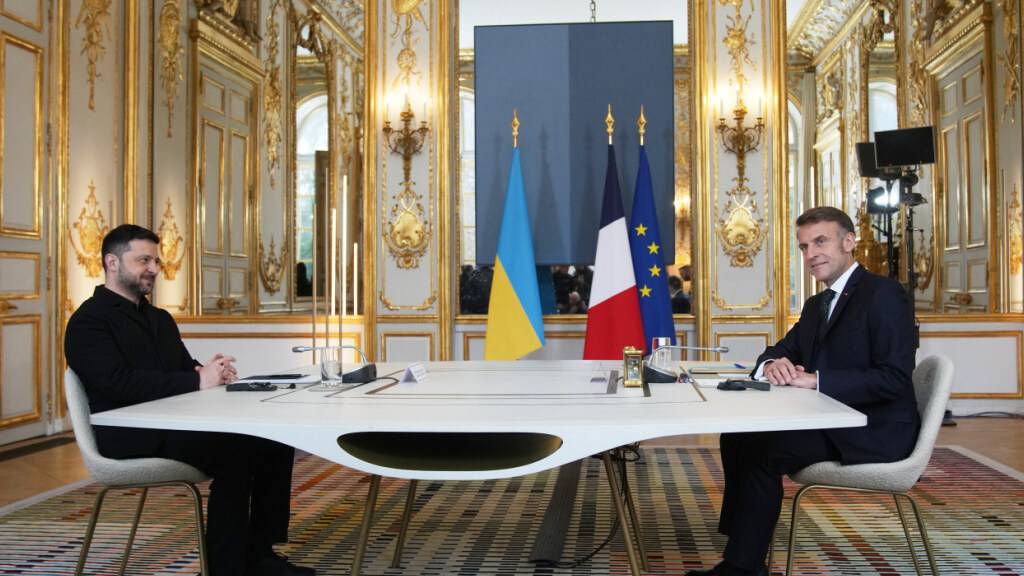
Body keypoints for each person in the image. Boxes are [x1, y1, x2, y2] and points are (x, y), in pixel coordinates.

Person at [64, 225, 315, 576]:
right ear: (112, 262)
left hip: (173, 425)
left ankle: (260, 552)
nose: (153, 268)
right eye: (143, 260)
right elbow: (118, 384)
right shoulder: (88, 322)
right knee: (237, 453)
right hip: (128, 434)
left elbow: (183, 369)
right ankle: (226, 567)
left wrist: (209, 371)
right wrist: (196, 379)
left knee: (274, 440)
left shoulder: (159, 319)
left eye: (155, 260)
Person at [689, 207, 919, 576]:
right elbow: (778, 350)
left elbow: (894, 378)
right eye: (804, 246)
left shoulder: (884, 295)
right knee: (738, 436)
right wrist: (772, 365)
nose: (811, 254)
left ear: (849, 242)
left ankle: (741, 566)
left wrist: (817, 380)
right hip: (831, 419)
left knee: (765, 451)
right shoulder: (817, 305)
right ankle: (747, 548)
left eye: (820, 241)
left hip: (874, 428)